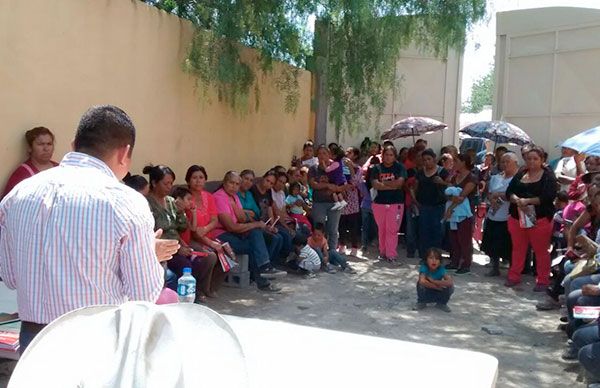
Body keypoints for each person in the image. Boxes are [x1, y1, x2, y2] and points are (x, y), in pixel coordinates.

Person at [0, 105, 178, 352]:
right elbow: (144, 294)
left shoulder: (18, 194)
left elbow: (10, 277)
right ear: (125, 153)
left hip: (34, 344)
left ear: (73, 144)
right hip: (95, 343)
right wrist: (147, 254)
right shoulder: (126, 202)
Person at [145, 165, 218, 303]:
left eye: (171, 183)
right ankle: (182, 298)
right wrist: (179, 248)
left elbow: (181, 227)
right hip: (161, 248)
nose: (169, 187)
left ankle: (196, 291)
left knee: (204, 259)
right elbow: (155, 231)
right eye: (165, 183)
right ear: (154, 183)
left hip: (178, 244)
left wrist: (181, 212)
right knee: (185, 266)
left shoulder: (171, 202)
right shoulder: (147, 203)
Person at [212, 171, 283, 291]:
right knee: (255, 244)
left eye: (237, 184)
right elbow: (231, 227)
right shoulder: (219, 197)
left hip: (233, 232)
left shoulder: (233, 196)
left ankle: (264, 268)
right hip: (220, 235)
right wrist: (255, 223)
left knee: (258, 235)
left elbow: (241, 218)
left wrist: (235, 207)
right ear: (224, 183)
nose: (234, 186)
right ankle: (263, 274)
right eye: (231, 183)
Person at [506, 145, 558, 290]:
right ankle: (514, 276)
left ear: (542, 160)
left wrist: (528, 201)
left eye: (535, 159)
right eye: (529, 158)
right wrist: (517, 200)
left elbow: (548, 196)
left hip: (540, 219)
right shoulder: (521, 172)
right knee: (518, 249)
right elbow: (509, 192)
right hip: (517, 217)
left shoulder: (548, 175)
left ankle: (542, 280)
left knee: (541, 251)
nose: (532, 161)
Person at [184, 165, 229, 297]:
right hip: (192, 239)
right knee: (210, 256)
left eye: (201, 178)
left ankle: (211, 287)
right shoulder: (186, 198)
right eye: (194, 178)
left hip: (207, 235)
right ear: (188, 181)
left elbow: (214, 220)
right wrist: (208, 241)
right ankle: (200, 290)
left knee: (227, 254)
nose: (198, 181)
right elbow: (193, 232)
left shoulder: (209, 197)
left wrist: (205, 229)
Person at [480, 152, 519, 277]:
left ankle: (512, 270)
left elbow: (515, 195)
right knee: (492, 243)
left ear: (515, 163)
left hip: (508, 215)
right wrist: (492, 198)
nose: (505, 164)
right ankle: (494, 267)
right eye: (503, 161)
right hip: (493, 214)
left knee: (508, 244)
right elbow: (489, 192)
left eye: (508, 161)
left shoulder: (517, 179)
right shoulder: (496, 178)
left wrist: (500, 195)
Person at [370, 145, 407, 263]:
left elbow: (399, 184)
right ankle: (383, 252)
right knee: (382, 229)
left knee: (392, 229)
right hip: (379, 203)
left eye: (391, 155)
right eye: (386, 155)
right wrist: (391, 185)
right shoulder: (376, 168)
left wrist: (384, 183)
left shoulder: (400, 168)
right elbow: (375, 185)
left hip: (395, 203)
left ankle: (391, 254)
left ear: (395, 156)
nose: (388, 157)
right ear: (382, 156)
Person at [411, 148, 448, 259]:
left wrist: (442, 182)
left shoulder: (442, 172)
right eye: (424, 160)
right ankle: (424, 256)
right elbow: (414, 188)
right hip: (424, 206)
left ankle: (436, 256)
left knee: (437, 231)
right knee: (424, 232)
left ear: (434, 159)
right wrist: (415, 201)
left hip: (438, 206)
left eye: (429, 159)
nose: (427, 162)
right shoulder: (420, 173)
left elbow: (451, 186)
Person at [309, 145, 347, 253]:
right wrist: (328, 186)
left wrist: (337, 188)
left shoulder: (335, 166)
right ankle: (319, 251)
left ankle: (332, 252)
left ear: (329, 155)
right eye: (319, 153)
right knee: (319, 228)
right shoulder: (313, 169)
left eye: (324, 153)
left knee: (333, 229)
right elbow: (314, 185)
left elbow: (342, 182)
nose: (322, 156)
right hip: (319, 202)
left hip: (334, 203)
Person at [3, 126, 59, 198]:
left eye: (49, 144)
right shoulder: (21, 174)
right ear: (30, 148)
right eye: (40, 144)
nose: (46, 148)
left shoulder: (60, 168)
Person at [445, 154, 478, 274]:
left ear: (464, 162)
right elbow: (448, 193)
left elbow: (462, 196)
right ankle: (455, 261)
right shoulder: (455, 177)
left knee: (464, 238)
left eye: (456, 161)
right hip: (454, 212)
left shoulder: (471, 178)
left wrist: (450, 209)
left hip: (465, 212)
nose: (454, 163)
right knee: (453, 237)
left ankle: (466, 263)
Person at [413, 248, 454, 312]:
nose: (434, 261)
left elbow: (450, 282)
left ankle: (442, 303)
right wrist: (437, 287)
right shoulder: (424, 268)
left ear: (440, 261)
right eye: (431, 258)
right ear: (426, 260)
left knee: (451, 287)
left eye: (437, 259)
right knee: (420, 284)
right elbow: (422, 281)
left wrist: (434, 281)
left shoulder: (441, 269)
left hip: (438, 292)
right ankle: (421, 302)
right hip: (427, 291)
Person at [339, 147, 362, 256]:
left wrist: (351, 167)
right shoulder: (340, 166)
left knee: (353, 226)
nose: (347, 154)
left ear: (355, 156)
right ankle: (342, 246)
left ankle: (354, 247)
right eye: (346, 152)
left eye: (350, 152)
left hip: (352, 200)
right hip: (341, 199)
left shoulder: (358, 169)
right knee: (341, 224)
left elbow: (355, 182)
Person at [325, 145, 349, 210]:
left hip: (336, 180)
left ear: (335, 156)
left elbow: (327, 170)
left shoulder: (336, 163)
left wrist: (325, 166)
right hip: (338, 180)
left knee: (334, 191)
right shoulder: (338, 162)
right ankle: (341, 201)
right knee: (338, 192)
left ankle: (337, 202)